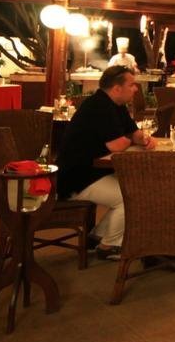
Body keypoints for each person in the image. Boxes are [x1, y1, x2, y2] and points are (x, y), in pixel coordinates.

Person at [55, 66, 157, 260]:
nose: (136, 89)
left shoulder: (116, 105)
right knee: (132, 197)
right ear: (117, 88)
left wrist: (142, 139)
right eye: (132, 85)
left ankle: (99, 236)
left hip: (95, 171)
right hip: (77, 177)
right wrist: (133, 139)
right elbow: (117, 145)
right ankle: (109, 246)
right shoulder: (98, 106)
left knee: (139, 187)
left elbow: (134, 133)